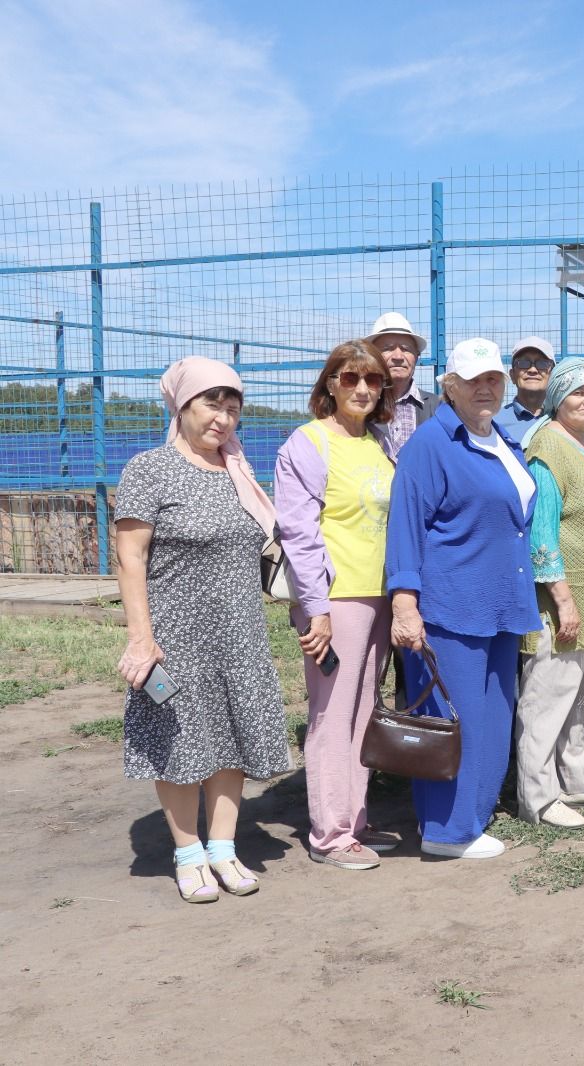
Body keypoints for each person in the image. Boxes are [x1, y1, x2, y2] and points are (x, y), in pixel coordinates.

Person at [113, 357, 290, 902]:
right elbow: (129, 556)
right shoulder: (150, 470)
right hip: (175, 633)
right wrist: (141, 637)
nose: (223, 419)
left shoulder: (239, 473)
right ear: (182, 406)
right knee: (180, 741)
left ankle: (224, 848)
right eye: (212, 404)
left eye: (233, 408)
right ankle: (188, 854)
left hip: (238, 631)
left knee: (233, 737)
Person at [386, 338, 540, 860]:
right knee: (453, 719)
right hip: (452, 607)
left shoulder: (504, 439)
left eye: (493, 378)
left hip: (502, 604)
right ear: (449, 387)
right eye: (473, 380)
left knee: (495, 716)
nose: (485, 388)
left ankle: (472, 815)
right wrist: (405, 603)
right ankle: (445, 831)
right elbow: (406, 525)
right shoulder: (431, 443)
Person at [274, 340, 398, 871]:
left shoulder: (376, 442)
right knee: (331, 713)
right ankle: (330, 833)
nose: (363, 390)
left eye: (372, 381)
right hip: (338, 599)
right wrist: (316, 607)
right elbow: (298, 534)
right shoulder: (307, 444)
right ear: (329, 384)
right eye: (350, 379)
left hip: (379, 596)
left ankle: (355, 818)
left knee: (364, 711)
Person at [512, 359, 584, 828]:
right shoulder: (547, 449)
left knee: (580, 696)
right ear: (558, 398)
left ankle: (576, 780)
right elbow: (541, 535)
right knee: (547, 697)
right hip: (564, 603)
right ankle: (537, 797)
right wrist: (563, 600)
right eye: (579, 392)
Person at [366, 312, 438, 459]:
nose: (398, 357)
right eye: (387, 348)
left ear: (416, 357)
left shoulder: (438, 408)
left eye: (406, 349)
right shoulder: (359, 406)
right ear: (372, 356)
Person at [494, 335, 555, 445]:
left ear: (553, 375)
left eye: (542, 363)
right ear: (512, 375)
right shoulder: (493, 423)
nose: (532, 370)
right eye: (523, 363)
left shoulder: (564, 419)